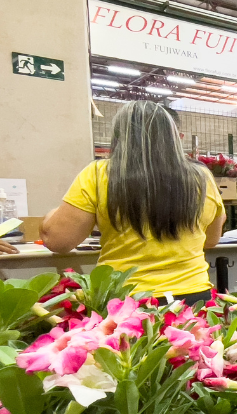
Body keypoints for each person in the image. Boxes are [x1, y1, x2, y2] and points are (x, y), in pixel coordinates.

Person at [41, 101, 226, 304]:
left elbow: (58, 241)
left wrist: (49, 217)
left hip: (126, 300)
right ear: (173, 136)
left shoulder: (98, 174)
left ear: (119, 136)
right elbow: (211, 239)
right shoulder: (202, 177)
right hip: (193, 297)